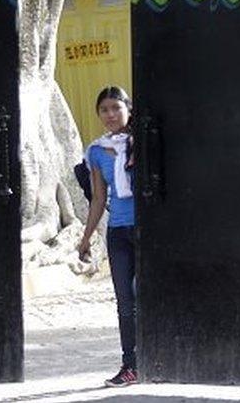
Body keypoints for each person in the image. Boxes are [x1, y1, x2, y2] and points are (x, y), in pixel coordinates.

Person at [77, 85, 138, 387]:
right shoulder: (96, 151)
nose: (111, 114)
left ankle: (159, 359)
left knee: (146, 295)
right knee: (125, 302)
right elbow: (99, 199)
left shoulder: (143, 142)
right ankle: (131, 365)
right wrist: (86, 238)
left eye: (116, 107)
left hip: (148, 232)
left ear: (128, 109)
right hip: (118, 232)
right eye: (104, 109)